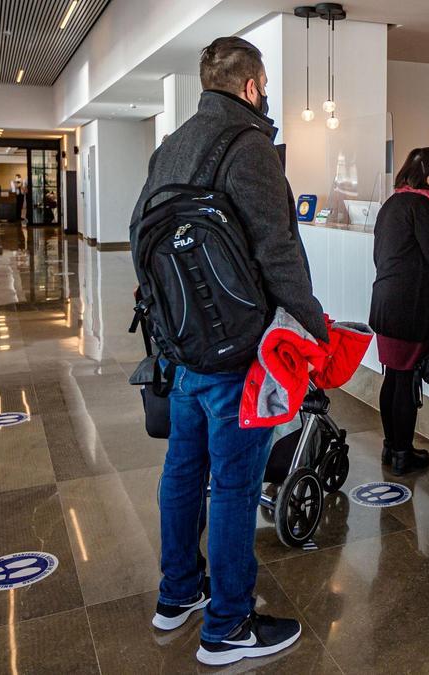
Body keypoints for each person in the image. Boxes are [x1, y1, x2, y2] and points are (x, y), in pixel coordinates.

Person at [129, 36, 326, 667]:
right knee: (235, 485)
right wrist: (313, 326)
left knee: (183, 470)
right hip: (238, 352)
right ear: (252, 86)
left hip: (182, 347)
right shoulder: (249, 147)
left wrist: (167, 332)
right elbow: (277, 250)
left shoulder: (170, 147)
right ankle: (228, 627)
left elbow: (141, 240)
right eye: (263, 86)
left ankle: (177, 594)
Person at [369, 147, 429, 476]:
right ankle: (404, 453)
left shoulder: (393, 202)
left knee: (393, 376)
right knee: (405, 380)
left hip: (385, 301)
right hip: (409, 306)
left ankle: (391, 446)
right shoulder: (422, 205)